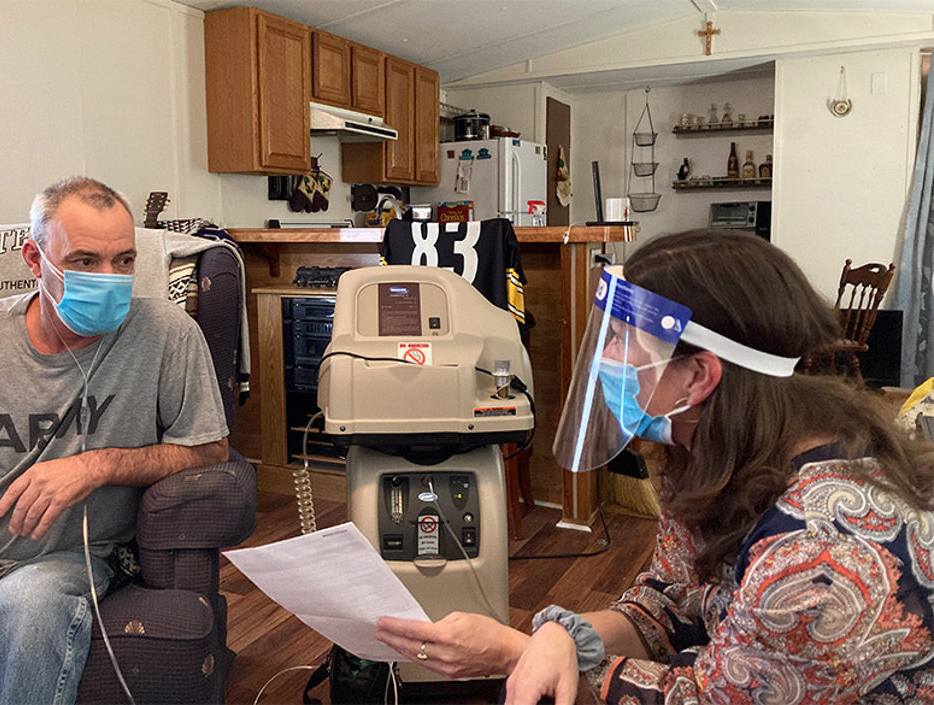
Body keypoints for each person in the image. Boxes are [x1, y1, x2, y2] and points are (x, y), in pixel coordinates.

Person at [376, 230, 934, 704]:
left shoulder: (820, 556)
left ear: (697, 377)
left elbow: (707, 697)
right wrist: (562, 638)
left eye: (621, 339)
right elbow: (671, 600)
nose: (604, 359)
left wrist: (511, 651)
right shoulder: (703, 454)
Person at [0, 177, 230, 704]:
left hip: (62, 560)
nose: (109, 279)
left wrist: (98, 466)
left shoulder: (168, 335)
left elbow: (209, 448)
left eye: (124, 261)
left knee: (29, 614)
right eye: (84, 261)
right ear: (35, 260)